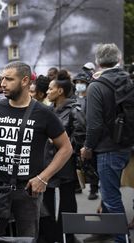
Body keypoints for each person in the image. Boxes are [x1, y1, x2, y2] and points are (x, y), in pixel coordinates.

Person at [0, 61, 72, 239]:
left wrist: (43, 178)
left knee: (27, 239)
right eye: (2, 79)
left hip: (28, 192)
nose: (2, 84)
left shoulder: (44, 113)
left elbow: (66, 148)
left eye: (9, 79)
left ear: (25, 81)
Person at [80, 43, 132, 243]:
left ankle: (121, 239)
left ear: (97, 62)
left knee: (111, 196)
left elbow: (93, 125)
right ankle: (106, 230)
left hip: (107, 149)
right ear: (118, 60)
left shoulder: (96, 86)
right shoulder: (127, 80)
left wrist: (87, 147)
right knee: (110, 194)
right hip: (126, 146)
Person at [40, 73, 82, 243]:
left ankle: (67, 236)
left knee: (67, 202)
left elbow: (80, 135)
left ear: (60, 91)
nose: (47, 92)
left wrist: (61, 143)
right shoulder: (48, 110)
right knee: (46, 200)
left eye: (51, 89)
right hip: (47, 163)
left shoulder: (74, 109)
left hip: (66, 163)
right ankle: (50, 236)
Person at [73, 72, 99, 200]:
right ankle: (78, 185)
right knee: (77, 163)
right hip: (75, 136)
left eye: (81, 82)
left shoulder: (91, 99)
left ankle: (93, 189)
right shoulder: (74, 99)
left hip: (87, 135)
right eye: (77, 83)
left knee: (90, 164)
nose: (79, 85)